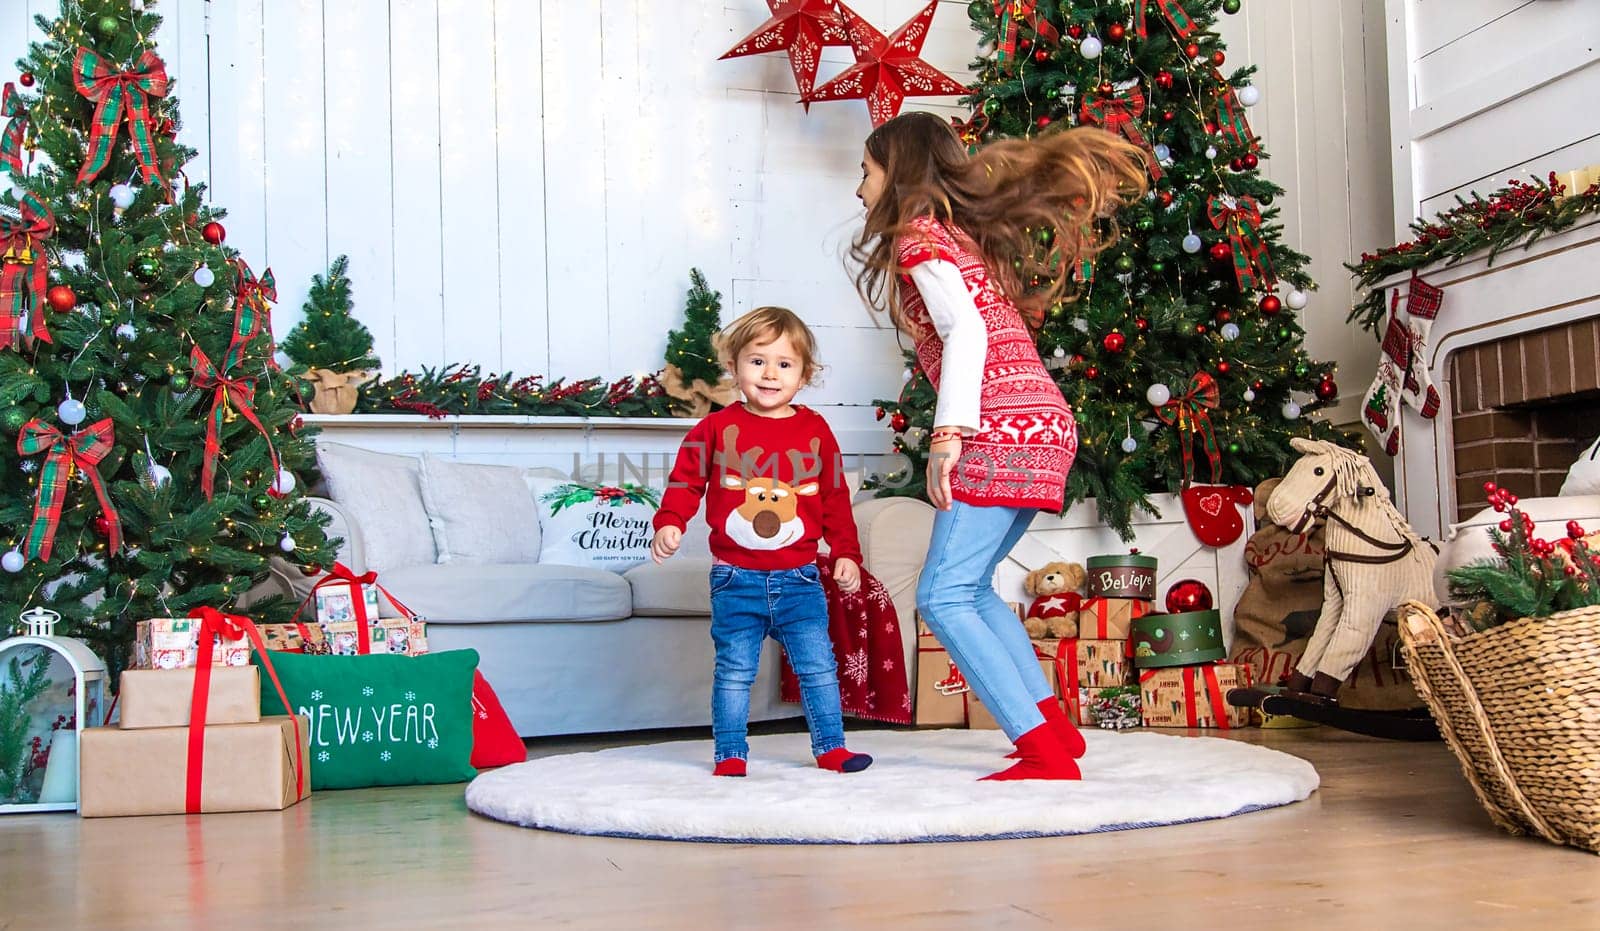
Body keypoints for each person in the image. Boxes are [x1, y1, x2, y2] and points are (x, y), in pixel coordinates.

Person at [851, 111, 1146, 780]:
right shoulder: (954, 236)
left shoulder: (920, 237)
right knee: (973, 586)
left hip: (1000, 425)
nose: (859, 188)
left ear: (896, 172)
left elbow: (967, 335)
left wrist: (948, 433)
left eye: (865, 171)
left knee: (942, 595)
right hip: (1042, 423)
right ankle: (1056, 732)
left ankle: (1042, 749)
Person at [651, 306, 872, 777]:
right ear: (733, 367)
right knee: (734, 671)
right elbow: (685, 481)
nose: (770, 374)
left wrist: (846, 554)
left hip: (801, 578)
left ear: (804, 375)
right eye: (757, 361)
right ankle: (730, 754)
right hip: (736, 579)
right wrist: (670, 521)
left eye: (784, 364)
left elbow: (834, 497)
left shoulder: (815, 431)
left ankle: (831, 747)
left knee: (818, 669)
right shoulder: (712, 429)